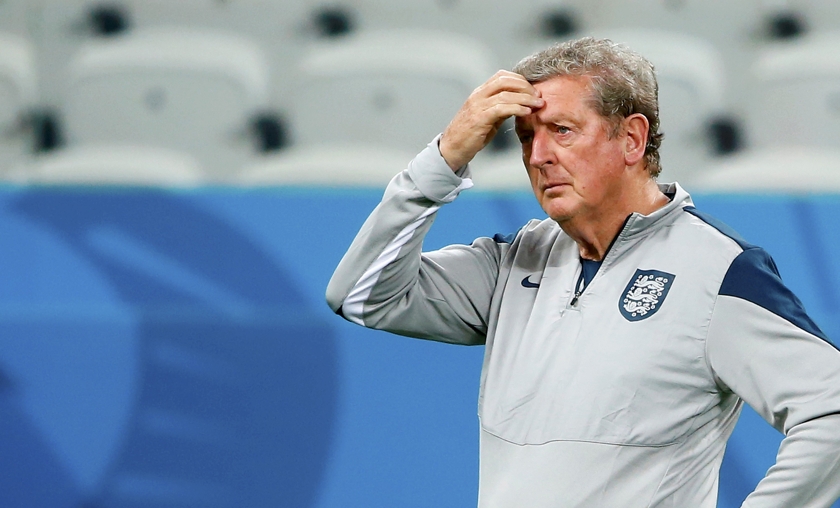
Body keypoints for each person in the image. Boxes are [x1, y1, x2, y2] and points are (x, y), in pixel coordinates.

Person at [325, 37, 840, 507]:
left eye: (562, 131)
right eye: (526, 137)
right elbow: (361, 294)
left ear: (633, 140)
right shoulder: (514, 261)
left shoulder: (719, 269)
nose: (539, 156)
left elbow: (830, 410)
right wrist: (444, 159)